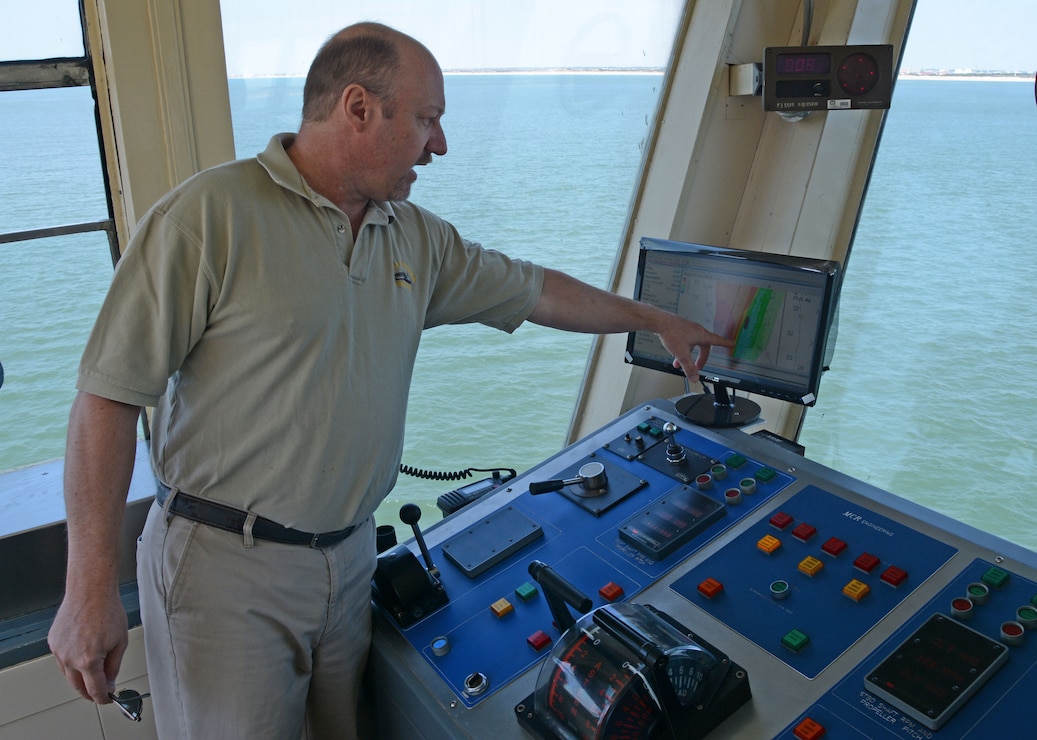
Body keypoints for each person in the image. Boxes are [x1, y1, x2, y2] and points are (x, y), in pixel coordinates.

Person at [47, 22, 733, 739]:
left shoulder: (412, 236)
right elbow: (106, 399)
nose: (438, 145)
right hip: (226, 570)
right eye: (427, 120)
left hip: (348, 560)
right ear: (358, 108)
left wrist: (651, 317)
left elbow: (536, 292)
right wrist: (88, 587)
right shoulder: (209, 217)